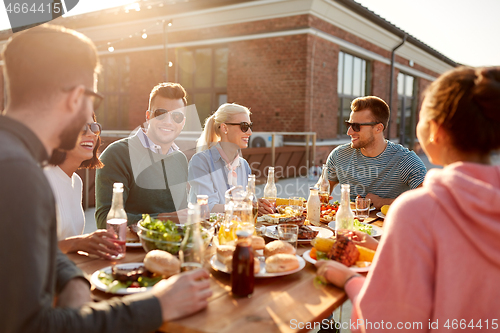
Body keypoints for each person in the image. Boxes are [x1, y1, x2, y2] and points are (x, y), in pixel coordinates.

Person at [0, 24, 211, 333]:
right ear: (75, 98)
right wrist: (159, 305)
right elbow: (32, 327)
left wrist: (74, 281)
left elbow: (39, 252)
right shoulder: (17, 174)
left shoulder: (21, 160)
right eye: (93, 99)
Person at [316, 66, 500, 332]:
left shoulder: (418, 209)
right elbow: (452, 268)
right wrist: (382, 249)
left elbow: (390, 322)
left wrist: (349, 282)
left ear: (434, 130)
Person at [95, 82, 189, 228]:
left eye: (177, 116)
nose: (168, 121)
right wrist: (166, 219)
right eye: (161, 114)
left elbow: (181, 216)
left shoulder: (180, 159)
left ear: (183, 122)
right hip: (132, 250)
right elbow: (105, 221)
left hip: (174, 248)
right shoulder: (116, 154)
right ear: (148, 116)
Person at [325, 96, 427, 208]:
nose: (349, 132)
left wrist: (384, 202)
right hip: (350, 224)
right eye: (349, 125)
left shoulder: (405, 160)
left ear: (378, 128)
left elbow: (427, 201)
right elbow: (321, 191)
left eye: (356, 126)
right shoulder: (339, 156)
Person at [45, 113, 121, 258]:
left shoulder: (77, 182)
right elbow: (28, 249)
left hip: (69, 271)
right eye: (81, 129)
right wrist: (78, 243)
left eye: (94, 127)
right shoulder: (42, 178)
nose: (91, 134)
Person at [188, 103, 252, 212]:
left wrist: (260, 206)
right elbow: (208, 208)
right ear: (224, 128)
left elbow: (248, 203)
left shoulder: (244, 165)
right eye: (244, 127)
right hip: (206, 228)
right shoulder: (200, 161)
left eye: (250, 126)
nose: (250, 132)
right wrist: (249, 206)